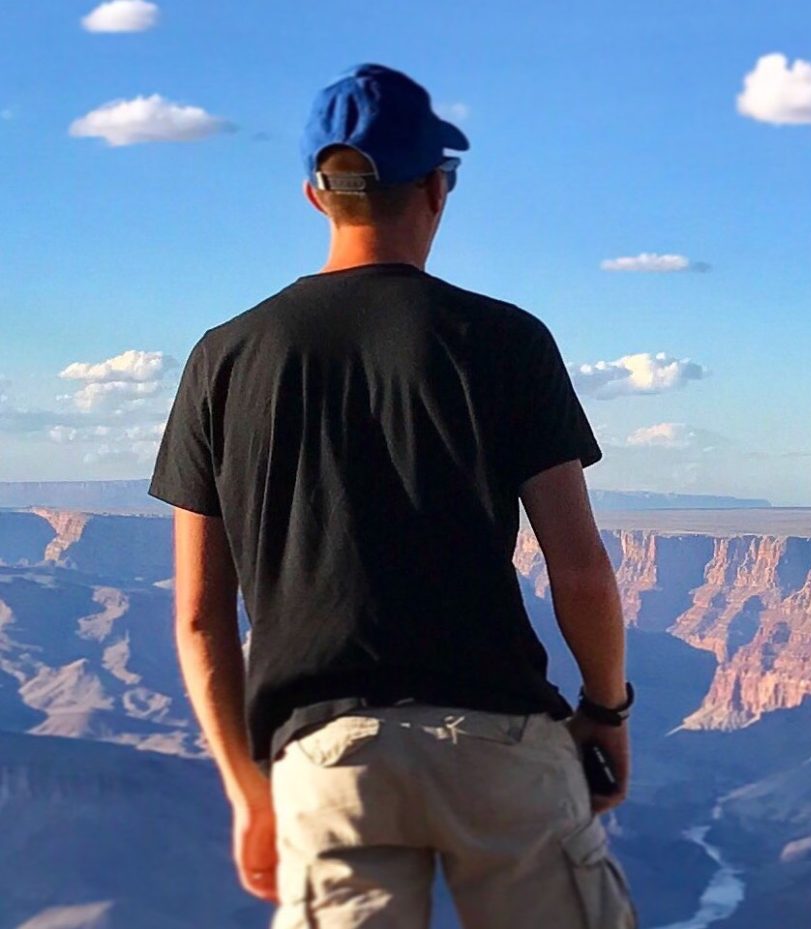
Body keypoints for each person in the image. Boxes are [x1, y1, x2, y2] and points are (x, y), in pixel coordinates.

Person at [150, 64, 639, 929]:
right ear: (437, 189)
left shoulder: (223, 358)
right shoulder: (506, 340)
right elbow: (584, 571)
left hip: (328, 761)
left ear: (315, 196)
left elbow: (198, 614)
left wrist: (247, 789)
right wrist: (606, 709)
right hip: (500, 744)